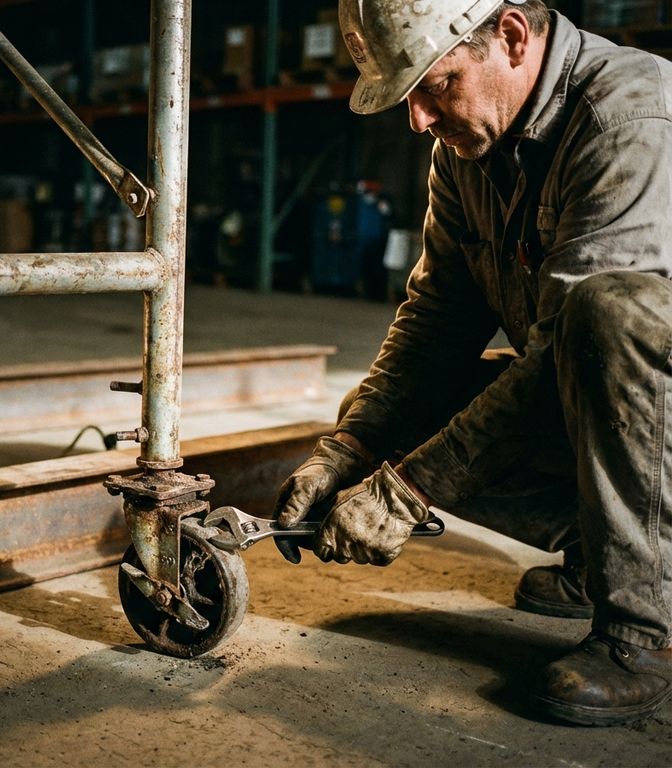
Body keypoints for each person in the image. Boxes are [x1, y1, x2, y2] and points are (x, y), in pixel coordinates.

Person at [274, 0, 672, 727]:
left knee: (608, 312)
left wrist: (409, 491)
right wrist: (350, 450)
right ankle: (606, 559)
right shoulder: (467, 155)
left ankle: (646, 631)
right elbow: (435, 324)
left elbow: (568, 352)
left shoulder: (629, 117)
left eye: (436, 85)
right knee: (400, 419)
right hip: (630, 422)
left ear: (513, 37)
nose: (418, 119)